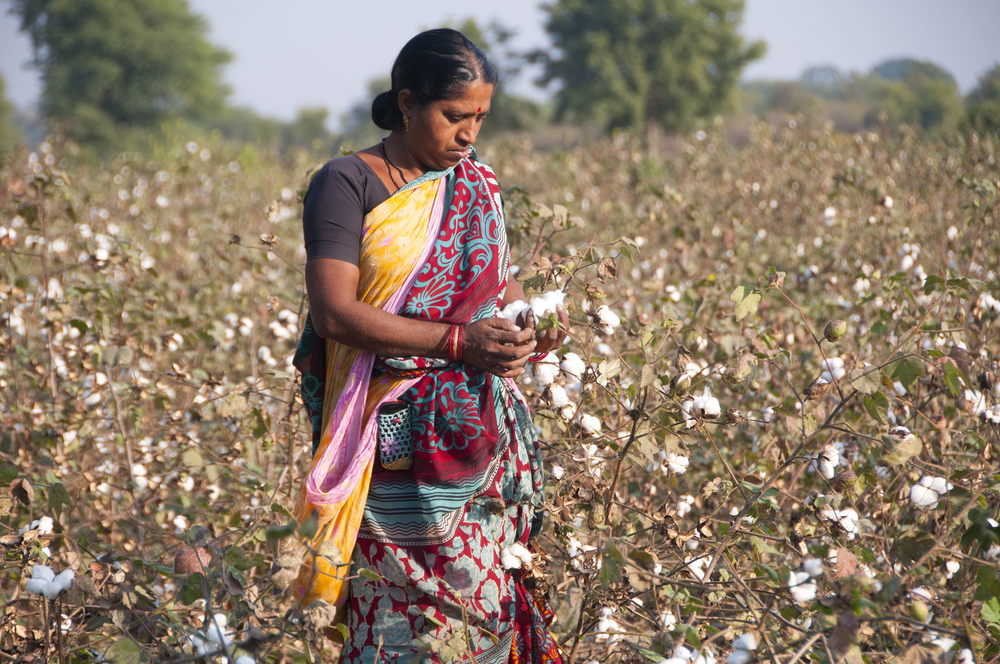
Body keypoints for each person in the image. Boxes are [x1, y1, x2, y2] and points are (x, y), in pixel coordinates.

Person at [292, 29, 567, 664]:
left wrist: (532, 326)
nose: (469, 134)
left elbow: (498, 285)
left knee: (484, 611)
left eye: (480, 118)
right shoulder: (346, 182)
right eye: (454, 116)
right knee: (399, 614)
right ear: (409, 102)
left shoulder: (474, 184)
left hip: (479, 441)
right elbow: (335, 312)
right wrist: (458, 342)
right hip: (393, 442)